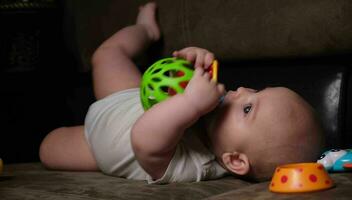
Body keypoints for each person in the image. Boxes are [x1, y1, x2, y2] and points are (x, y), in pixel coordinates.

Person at [39, 2, 325, 183]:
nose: (240, 90)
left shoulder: (196, 167)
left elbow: (144, 140)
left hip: (97, 148)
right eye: (255, 90)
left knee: (47, 149)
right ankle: (145, 30)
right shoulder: (208, 109)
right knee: (108, 54)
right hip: (127, 97)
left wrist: (190, 103)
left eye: (248, 108)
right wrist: (190, 62)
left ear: (235, 160)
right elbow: (173, 86)